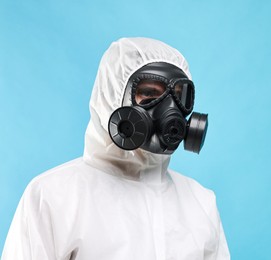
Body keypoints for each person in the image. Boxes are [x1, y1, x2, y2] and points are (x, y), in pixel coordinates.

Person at [1, 37, 230, 260]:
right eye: (149, 94)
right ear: (112, 96)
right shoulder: (52, 197)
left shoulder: (201, 203)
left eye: (179, 97)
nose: (169, 110)